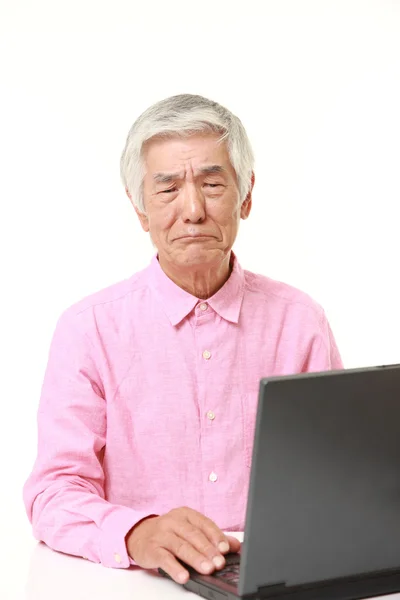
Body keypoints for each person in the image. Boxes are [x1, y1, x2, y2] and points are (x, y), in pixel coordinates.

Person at [23, 94, 343, 585]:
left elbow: (333, 480)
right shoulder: (88, 329)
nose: (193, 210)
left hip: (272, 582)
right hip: (129, 584)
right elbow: (53, 493)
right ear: (140, 209)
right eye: (168, 189)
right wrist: (136, 533)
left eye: (213, 184)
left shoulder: (300, 323)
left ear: (246, 195)